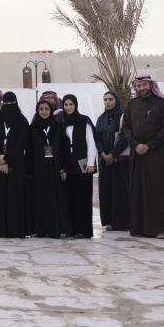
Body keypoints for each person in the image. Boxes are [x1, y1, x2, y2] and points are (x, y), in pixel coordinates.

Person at [122, 74, 164, 238]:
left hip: (157, 154)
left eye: (144, 85)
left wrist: (149, 145)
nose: (142, 88)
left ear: (151, 85)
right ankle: (139, 228)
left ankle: (161, 228)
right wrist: (136, 145)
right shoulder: (132, 104)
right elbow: (126, 127)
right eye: (138, 86)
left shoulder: (163, 104)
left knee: (158, 190)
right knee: (138, 190)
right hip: (137, 154)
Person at [27, 100, 70, 238]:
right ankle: (40, 229)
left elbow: (64, 148)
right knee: (40, 197)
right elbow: (29, 150)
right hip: (38, 168)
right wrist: (29, 172)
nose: (44, 111)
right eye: (41, 109)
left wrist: (65, 167)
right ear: (37, 111)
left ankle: (55, 228)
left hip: (54, 168)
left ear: (51, 110)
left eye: (46, 109)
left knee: (54, 196)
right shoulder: (33, 127)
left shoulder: (57, 126)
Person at [0, 92, 29, 238]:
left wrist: (7, 159)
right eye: (6, 104)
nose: (9, 107)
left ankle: (15, 229)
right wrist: (1, 160)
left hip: (16, 164)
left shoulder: (22, 121)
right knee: (0, 197)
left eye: (12, 104)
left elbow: (22, 142)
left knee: (14, 197)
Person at [60, 94, 97, 238]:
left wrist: (90, 163)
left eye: (71, 104)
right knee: (70, 197)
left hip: (83, 165)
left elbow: (91, 142)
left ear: (75, 105)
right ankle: (71, 229)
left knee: (83, 197)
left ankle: (83, 230)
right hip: (69, 166)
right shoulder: (62, 123)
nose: (68, 107)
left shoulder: (84, 121)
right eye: (66, 105)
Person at [95, 90, 130, 232]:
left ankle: (122, 222)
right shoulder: (101, 118)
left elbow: (125, 138)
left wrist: (112, 154)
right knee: (106, 190)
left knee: (120, 190)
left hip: (119, 161)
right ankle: (109, 220)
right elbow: (97, 138)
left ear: (116, 101)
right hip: (105, 160)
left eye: (110, 99)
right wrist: (103, 154)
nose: (108, 102)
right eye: (105, 100)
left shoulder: (123, 117)